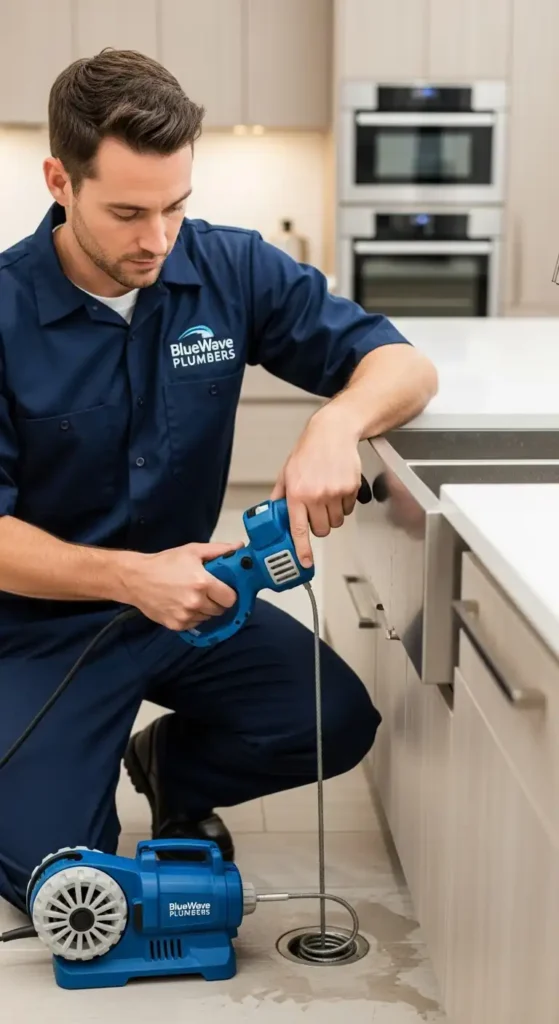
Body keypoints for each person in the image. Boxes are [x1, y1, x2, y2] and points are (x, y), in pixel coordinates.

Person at [0, 49, 437, 914]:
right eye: (128, 212)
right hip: (38, 626)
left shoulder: (230, 268)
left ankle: (172, 766)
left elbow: (404, 365)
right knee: (60, 877)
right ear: (60, 181)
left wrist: (333, 426)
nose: (157, 239)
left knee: (333, 721)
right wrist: (130, 576)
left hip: (193, 605)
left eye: (175, 206)